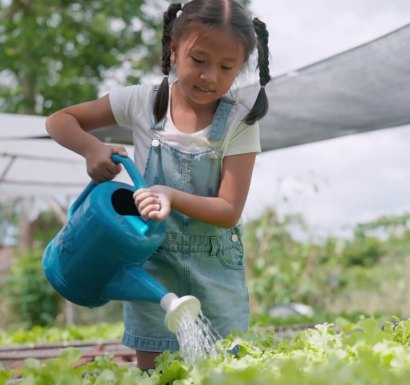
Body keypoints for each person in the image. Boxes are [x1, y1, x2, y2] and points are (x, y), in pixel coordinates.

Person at [45, 0, 270, 369]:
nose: (210, 76)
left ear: (239, 69)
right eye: (199, 60)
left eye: (226, 67)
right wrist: (91, 148)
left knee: (225, 368)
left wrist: (168, 194)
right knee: (155, 372)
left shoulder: (240, 123)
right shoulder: (141, 102)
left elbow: (229, 211)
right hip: (152, 264)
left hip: (215, 272)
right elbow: (59, 120)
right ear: (174, 49)